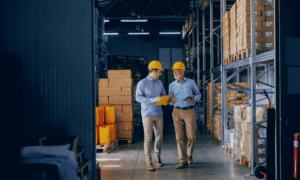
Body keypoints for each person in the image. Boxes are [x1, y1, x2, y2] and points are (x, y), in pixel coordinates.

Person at [136, 60, 171, 171]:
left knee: (159, 137)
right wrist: (152, 100)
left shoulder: (159, 83)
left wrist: (166, 100)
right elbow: (138, 97)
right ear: (153, 70)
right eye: (159, 71)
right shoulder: (142, 83)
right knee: (148, 138)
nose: (160, 73)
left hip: (159, 113)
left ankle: (157, 156)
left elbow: (164, 95)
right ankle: (149, 161)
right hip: (147, 114)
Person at [169, 62, 201, 169]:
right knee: (179, 137)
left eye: (176, 70)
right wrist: (170, 101)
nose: (174, 72)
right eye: (173, 71)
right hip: (176, 111)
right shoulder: (172, 85)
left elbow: (198, 94)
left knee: (191, 136)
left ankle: (189, 154)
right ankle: (183, 160)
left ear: (182, 71)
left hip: (189, 111)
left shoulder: (191, 83)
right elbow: (170, 100)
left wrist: (194, 99)